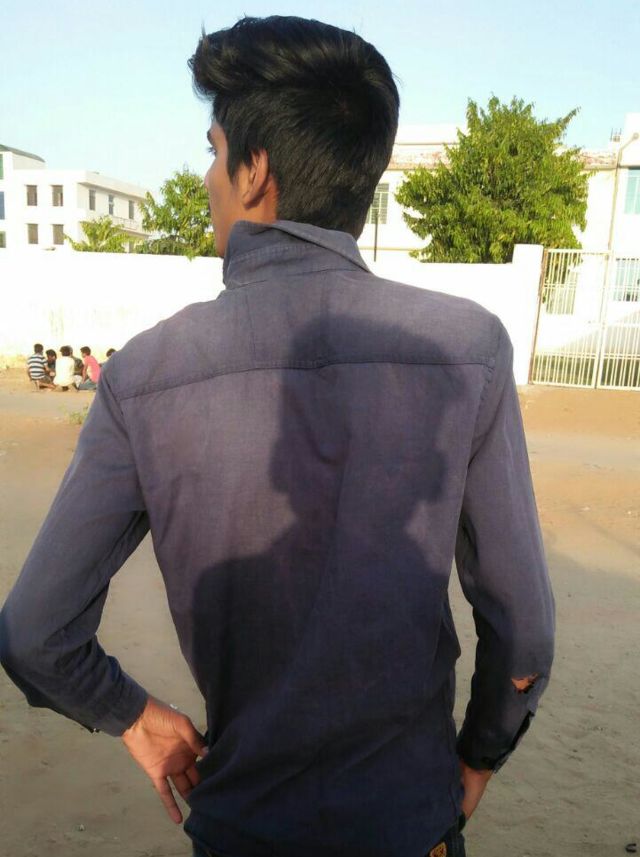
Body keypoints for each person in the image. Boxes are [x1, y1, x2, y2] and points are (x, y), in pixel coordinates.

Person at [0, 16, 555, 857]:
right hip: (410, 823)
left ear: (255, 171)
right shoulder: (468, 348)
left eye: (214, 150)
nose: (208, 177)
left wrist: (135, 717)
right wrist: (478, 757)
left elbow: (35, 630)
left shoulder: (145, 375)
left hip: (242, 829)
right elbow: (524, 631)